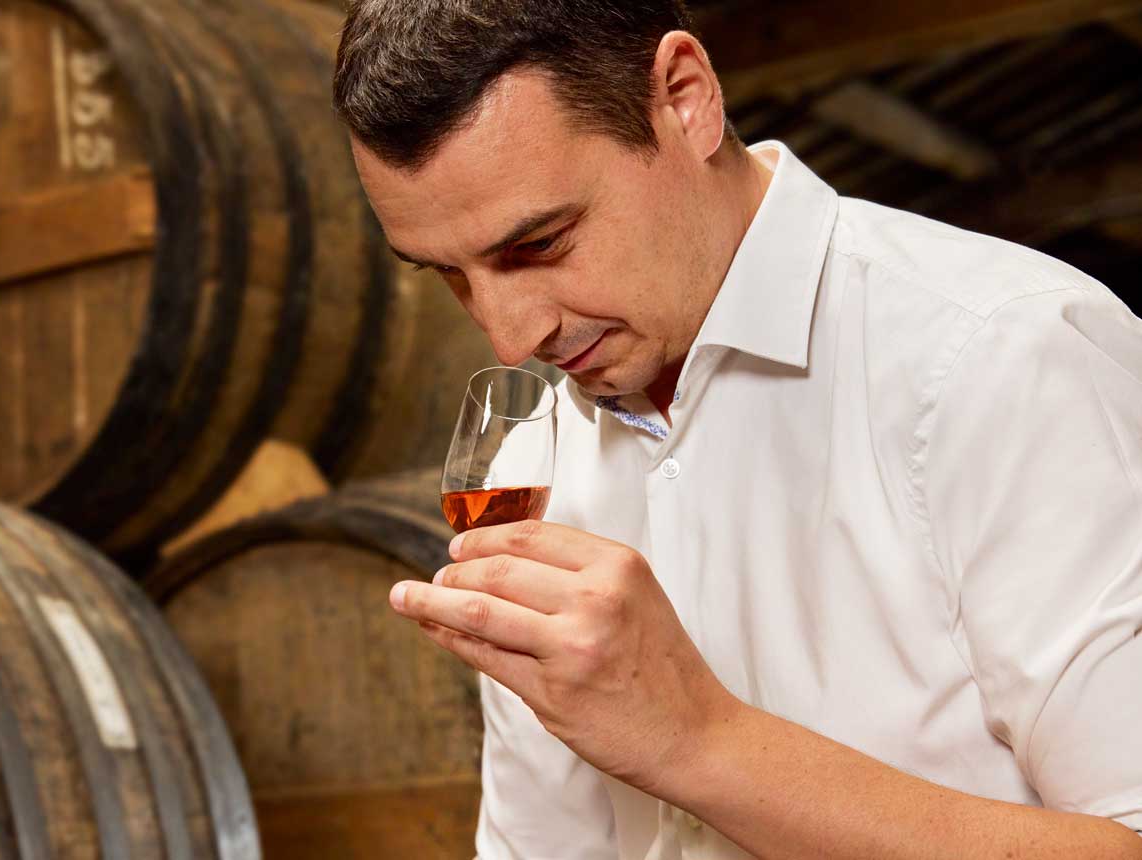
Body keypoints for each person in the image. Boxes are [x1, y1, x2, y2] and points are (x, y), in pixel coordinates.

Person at [332, 2, 1142, 857]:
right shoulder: (534, 459)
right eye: (449, 277)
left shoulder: (1009, 358)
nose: (509, 337)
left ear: (686, 100)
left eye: (538, 244)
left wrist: (697, 742)